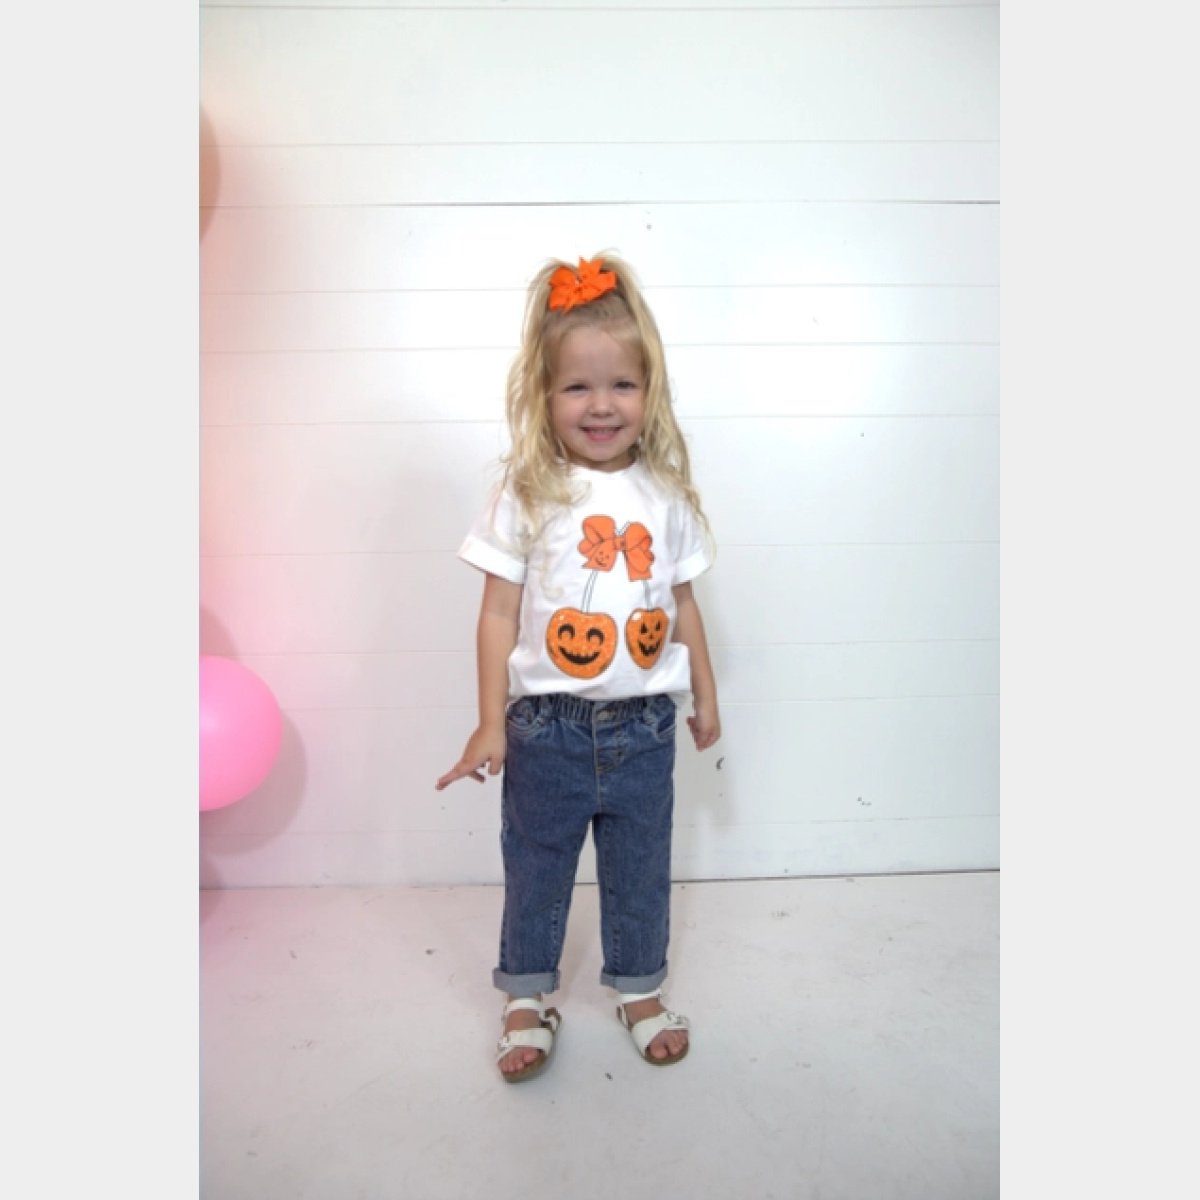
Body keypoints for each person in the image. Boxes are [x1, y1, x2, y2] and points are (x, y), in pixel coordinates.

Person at [436, 253, 721, 1083]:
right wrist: (491, 719)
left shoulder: (665, 495)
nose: (601, 406)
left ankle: (638, 987)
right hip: (547, 729)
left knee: (640, 865)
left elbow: (686, 607)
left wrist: (703, 692)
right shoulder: (530, 490)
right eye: (577, 389)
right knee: (537, 867)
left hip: (644, 726)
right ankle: (527, 994)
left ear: (650, 391)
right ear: (544, 395)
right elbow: (496, 614)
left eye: (622, 386)